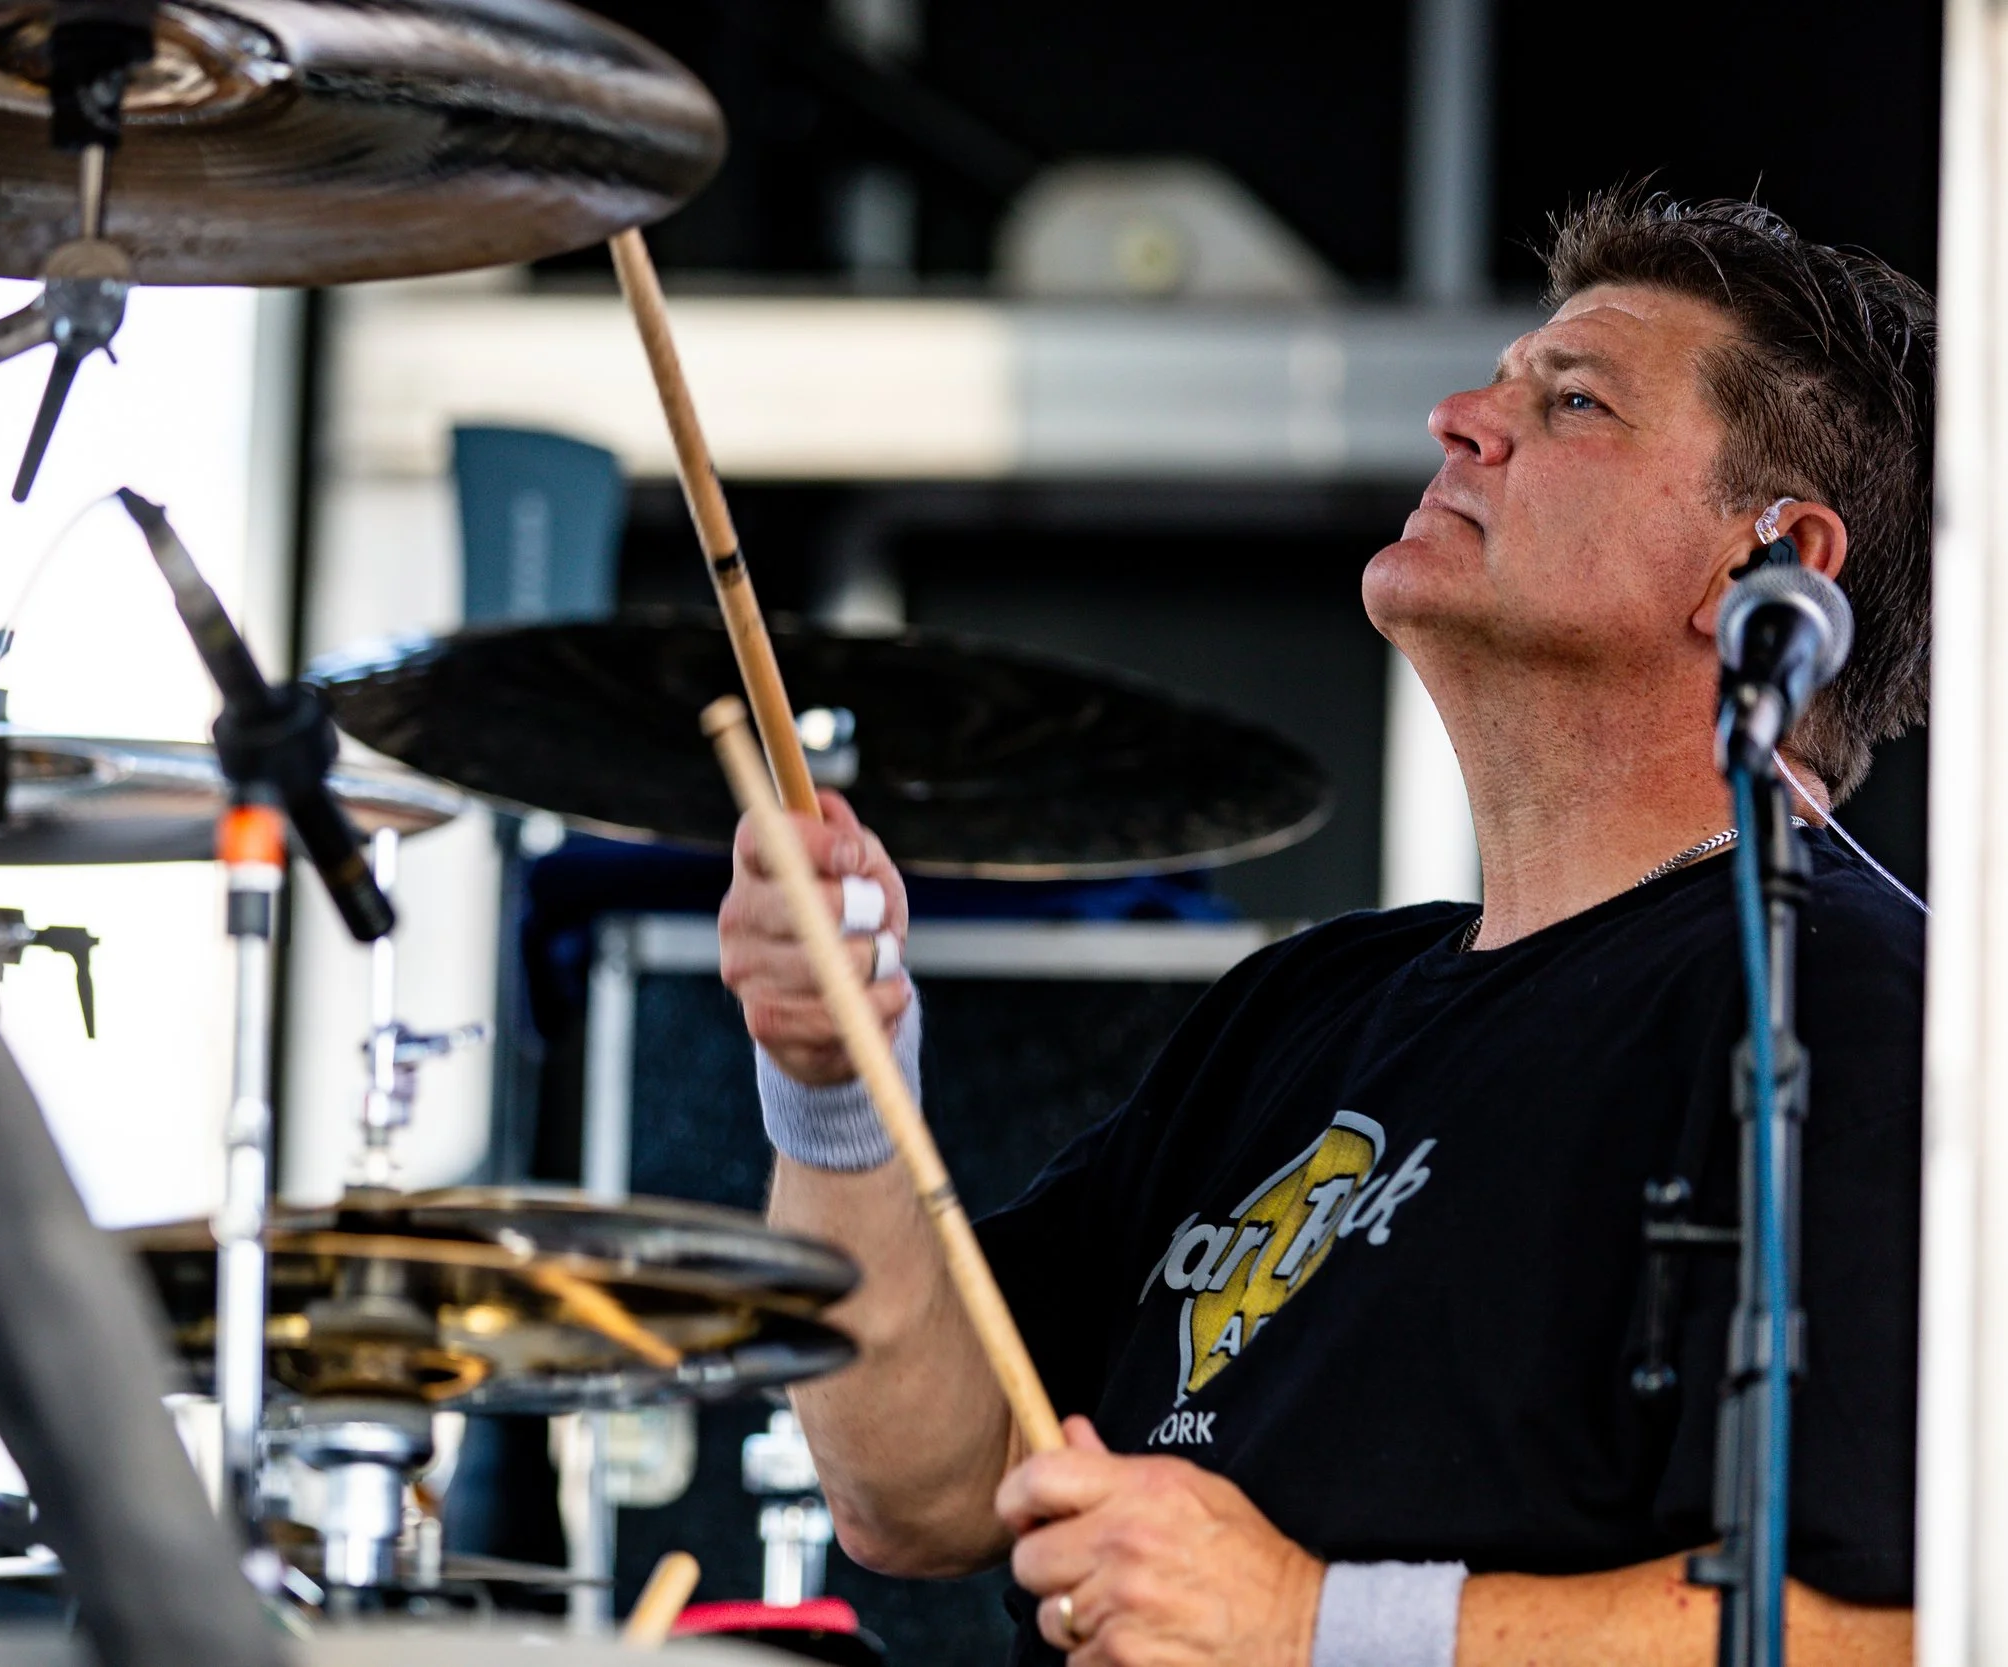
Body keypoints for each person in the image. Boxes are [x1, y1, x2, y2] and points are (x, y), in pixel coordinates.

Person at [718, 191, 1930, 1667]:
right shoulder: (1297, 1013)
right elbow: (916, 1488)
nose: (1458, 419)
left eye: (1575, 401)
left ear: (1772, 561)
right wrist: (837, 1082)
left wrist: (1307, 1620)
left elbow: (1892, 1632)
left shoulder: (1861, 1007)